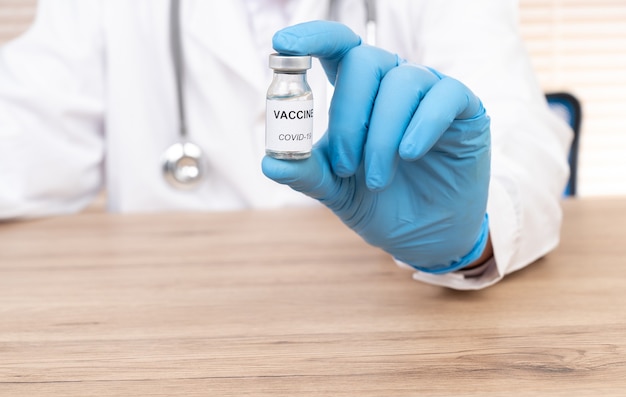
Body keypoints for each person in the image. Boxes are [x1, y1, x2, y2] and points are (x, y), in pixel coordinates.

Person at [0, 0, 572, 290]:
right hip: (163, 339)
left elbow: (517, 124)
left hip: (391, 349)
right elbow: (21, 128)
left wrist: (473, 238)